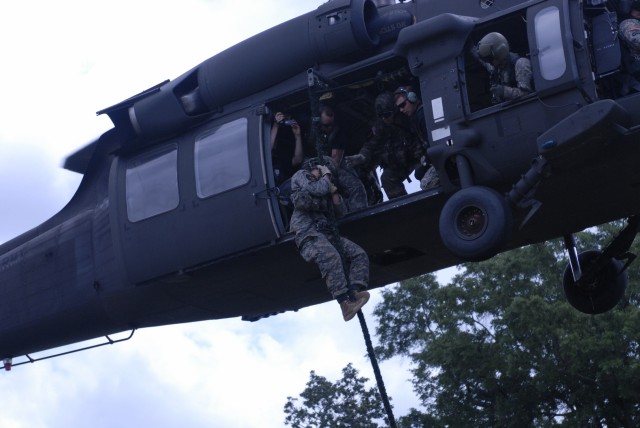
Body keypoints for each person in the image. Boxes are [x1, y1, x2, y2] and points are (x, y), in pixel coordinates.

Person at [289, 157, 370, 321]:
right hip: (308, 232)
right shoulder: (301, 176)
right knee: (331, 257)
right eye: (324, 170)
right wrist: (325, 179)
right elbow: (316, 189)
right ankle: (344, 305)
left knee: (358, 254)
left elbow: (341, 213)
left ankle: (354, 292)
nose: (327, 175)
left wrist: (334, 194)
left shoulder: (324, 187)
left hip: (326, 233)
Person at [346, 91, 423, 199]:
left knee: (423, 173)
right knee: (387, 178)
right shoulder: (381, 125)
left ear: (395, 110)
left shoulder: (407, 115)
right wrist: (362, 156)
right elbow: (371, 143)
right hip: (400, 161)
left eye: (387, 114)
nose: (384, 118)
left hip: (418, 157)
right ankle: (402, 206)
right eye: (381, 116)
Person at [316, 104, 368, 212]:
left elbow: (335, 163)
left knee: (356, 187)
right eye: (326, 125)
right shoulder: (313, 134)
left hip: (329, 169)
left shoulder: (337, 135)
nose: (329, 128)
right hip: (313, 168)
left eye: (331, 124)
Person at [394, 86, 440, 190]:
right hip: (434, 156)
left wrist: (426, 161)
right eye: (399, 107)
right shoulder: (416, 117)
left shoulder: (422, 115)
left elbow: (432, 143)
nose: (401, 110)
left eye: (403, 105)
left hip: (440, 157)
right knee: (418, 173)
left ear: (412, 98)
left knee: (426, 184)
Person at [472, 32, 533, 103]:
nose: (489, 63)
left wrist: (503, 91)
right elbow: (479, 58)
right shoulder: (498, 67)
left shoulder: (521, 64)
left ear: (499, 54)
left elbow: (526, 94)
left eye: (490, 59)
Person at [271, 111, 304, 186]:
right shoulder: (264, 153)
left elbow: (297, 160)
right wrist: (276, 125)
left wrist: (297, 136)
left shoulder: (283, 151)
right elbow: (268, 147)